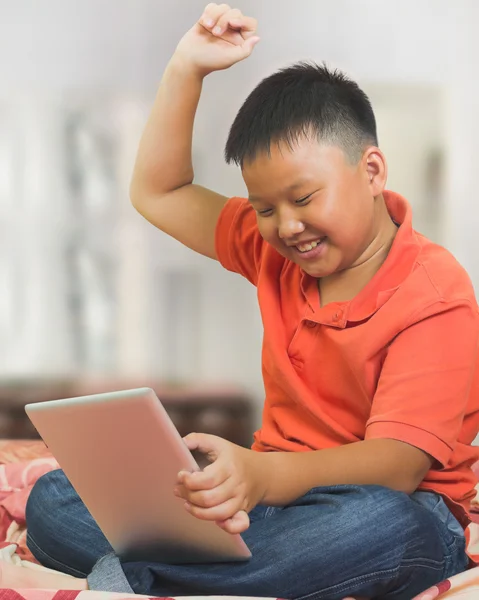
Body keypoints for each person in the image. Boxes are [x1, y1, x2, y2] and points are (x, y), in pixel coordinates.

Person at [4, 4, 479, 599]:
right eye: (264, 207)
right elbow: (159, 190)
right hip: (269, 514)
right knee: (53, 499)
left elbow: (398, 465)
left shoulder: (435, 293)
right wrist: (186, 69)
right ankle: (197, 572)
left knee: (388, 525)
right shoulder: (274, 252)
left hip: (392, 511)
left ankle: (137, 575)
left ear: (373, 170)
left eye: (304, 197)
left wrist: (264, 475)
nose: (286, 225)